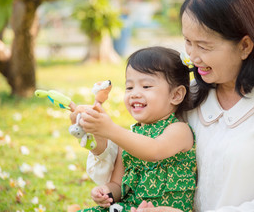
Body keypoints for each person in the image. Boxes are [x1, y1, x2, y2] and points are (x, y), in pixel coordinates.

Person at [85, 0, 254, 212]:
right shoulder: (192, 95)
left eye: (204, 46)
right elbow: (140, 163)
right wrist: (97, 137)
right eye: (188, 42)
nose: (192, 57)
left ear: (245, 46)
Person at [73, 46, 196, 212]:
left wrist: (111, 130)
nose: (134, 94)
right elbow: (118, 184)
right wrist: (106, 192)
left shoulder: (179, 130)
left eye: (146, 86)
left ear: (176, 95)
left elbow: (154, 150)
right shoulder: (130, 137)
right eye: (129, 87)